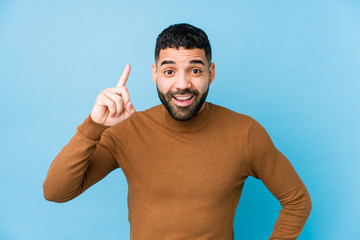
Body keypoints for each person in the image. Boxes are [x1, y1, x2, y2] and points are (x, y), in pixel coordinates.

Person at [43, 23, 312, 240]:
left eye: (195, 70)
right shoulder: (126, 130)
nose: (182, 84)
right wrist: (93, 126)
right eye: (169, 71)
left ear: (211, 72)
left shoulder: (245, 132)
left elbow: (297, 201)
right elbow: (56, 192)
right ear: (154, 74)